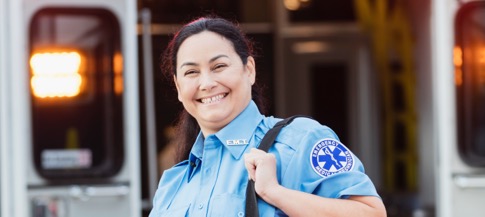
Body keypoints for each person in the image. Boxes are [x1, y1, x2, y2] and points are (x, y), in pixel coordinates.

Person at [149, 16, 387, 217]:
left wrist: (275, 193)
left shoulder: (300, 140)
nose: (207, 83)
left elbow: (372, 213)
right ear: (179, 88)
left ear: (249, 70)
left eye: (219, 66)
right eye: (191, 72)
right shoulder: (173, 183)